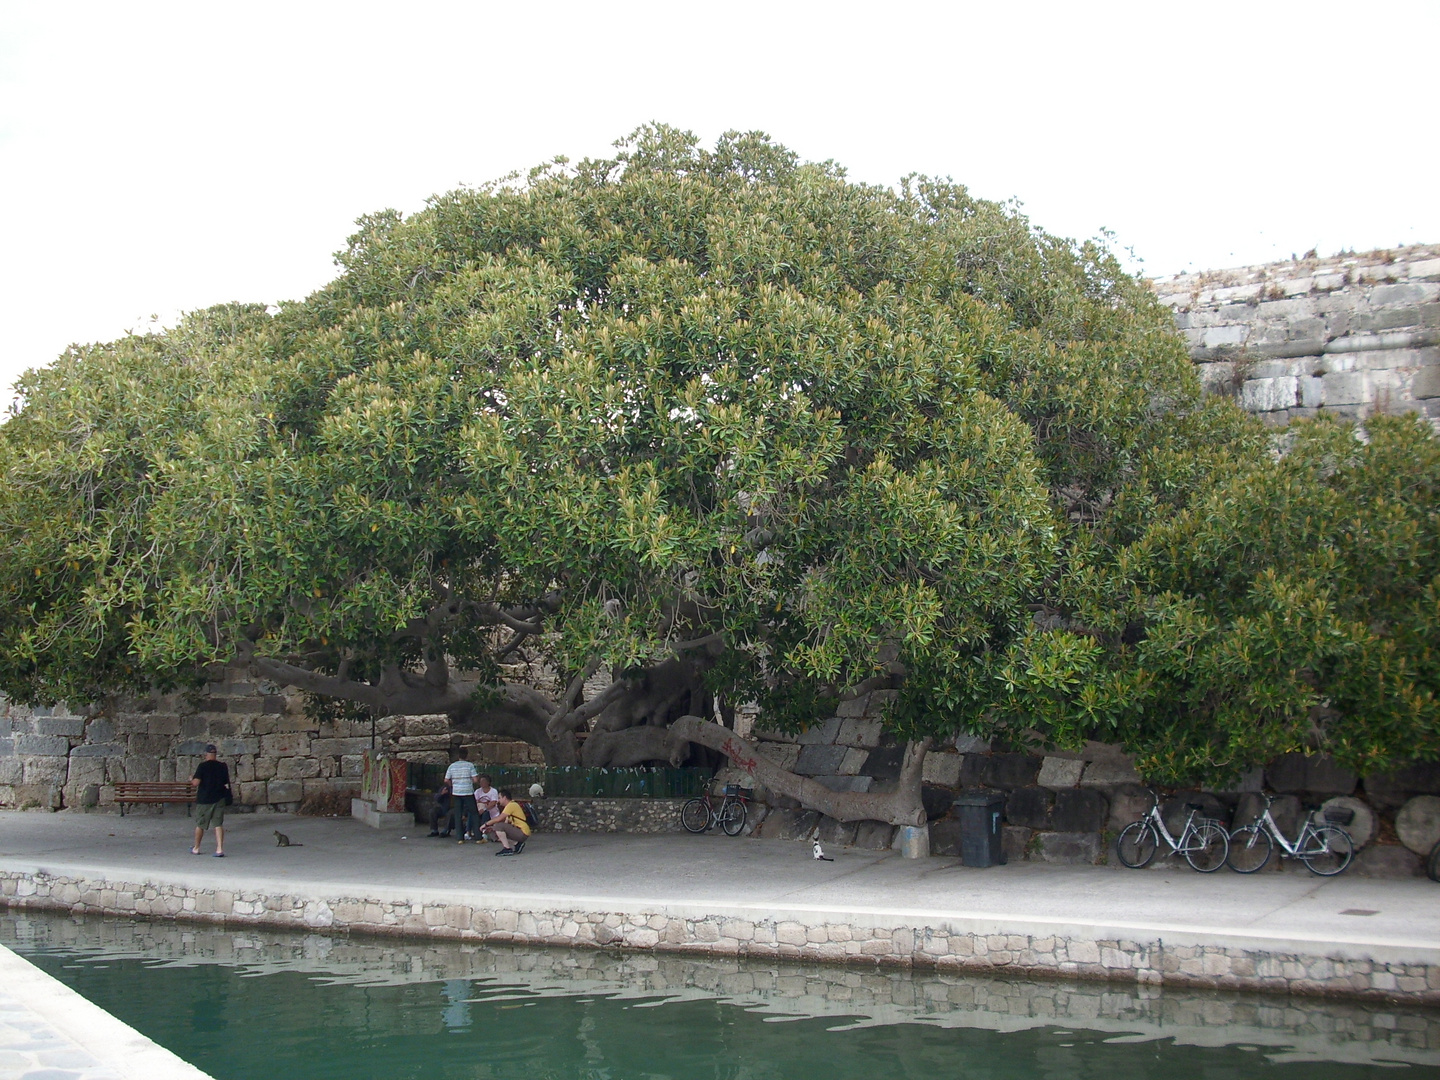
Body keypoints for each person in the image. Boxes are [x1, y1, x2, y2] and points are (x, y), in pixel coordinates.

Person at [189, 744, 231, 857]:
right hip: (219, 798)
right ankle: (219, 849)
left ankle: (196, 848)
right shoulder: (223, 766)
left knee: (200, 824)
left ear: (206, 754)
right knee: (218, 824)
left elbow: (196, 783)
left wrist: (191, 779)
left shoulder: (202, 766)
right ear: (215, 754)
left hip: (205, 799)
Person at [443, 747, 480, 842]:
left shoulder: (452, 766)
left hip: (457, 792)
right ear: (467, 755)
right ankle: (478, 837)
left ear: (458, 755)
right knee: (474, 813)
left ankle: (460, 838)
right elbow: (475, 779)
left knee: (458, 813)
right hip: (468, 791)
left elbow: (446, 780)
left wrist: (453, 785)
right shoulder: (469, 765)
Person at [480, 789, 531, 855]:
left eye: (499, 798)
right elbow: (506, 824)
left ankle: (507, 849)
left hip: (522, 831)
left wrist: (485, 824)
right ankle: (517, 844)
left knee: (498, 826)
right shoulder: (509, 806)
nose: (498, 800)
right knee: (494, 832)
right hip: (519, 831)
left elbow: (499, 819)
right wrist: (492, 828)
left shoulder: (511, 805)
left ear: (504, 798)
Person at [473, 774, 501, 839]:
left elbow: (493, 803)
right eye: (480, 782)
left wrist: (484, 808)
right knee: (472, 813)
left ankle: (483, 832)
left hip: (491, 811)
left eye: (483, 781)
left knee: (486, 813)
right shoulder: (477, 791)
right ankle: (468, 831)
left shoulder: (493, 791)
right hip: (479, 808)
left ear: (488, 782)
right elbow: (475, 801)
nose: (482, 783)